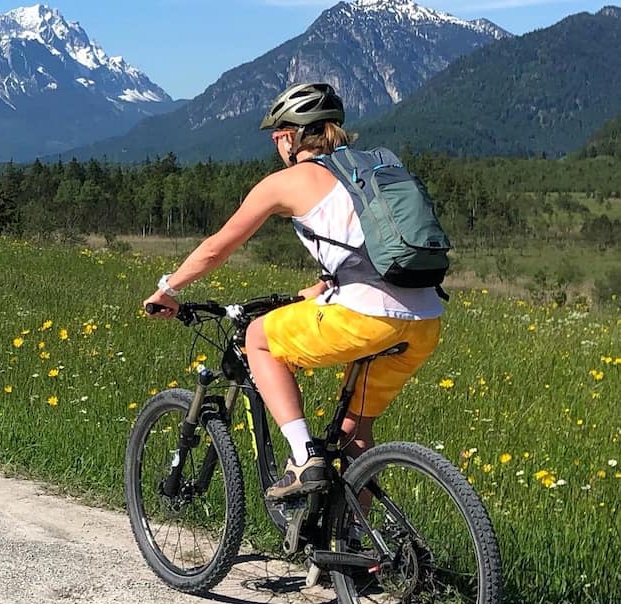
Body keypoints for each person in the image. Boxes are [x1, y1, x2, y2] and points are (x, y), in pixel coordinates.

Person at [143, 81, 443, 499]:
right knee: (354, 434)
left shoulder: (286, 181)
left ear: (291, 137)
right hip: (425, 319)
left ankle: (303, 458)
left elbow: (216, 248)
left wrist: (167, 288)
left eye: (277, 137)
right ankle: (357, 539)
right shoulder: (366, 170)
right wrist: (323, 286)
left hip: (366, 317)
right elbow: (367, 244)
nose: (276, 145)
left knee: (257, 338)